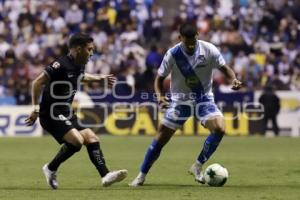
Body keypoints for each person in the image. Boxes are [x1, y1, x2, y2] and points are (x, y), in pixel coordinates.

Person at [129, 22, 243, 186]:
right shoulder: (173, 54)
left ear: (198, 36)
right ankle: (141, 175)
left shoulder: (209, 49)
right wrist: (160, 96)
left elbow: (225, 68)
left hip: (203, 99)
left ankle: (197, 166)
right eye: (186, 43)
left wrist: (234, 79)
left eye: (193, 42)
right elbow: (159, 78)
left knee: (220, 128)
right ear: (179, 38)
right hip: (180, 101)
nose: (190, 46)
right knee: (161, 138)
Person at [25, 33, 128, 189]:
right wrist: (35, 109)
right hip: (51, 113)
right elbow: (37, 83)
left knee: (92, 138)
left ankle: (105, 175)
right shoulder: (60, 64)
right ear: (78, 49)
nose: (92, 53)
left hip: (66, 112)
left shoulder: (80, 63)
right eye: (89, 49)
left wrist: (100, 78)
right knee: (77, 141)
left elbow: (80, 76)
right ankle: (50, 168)